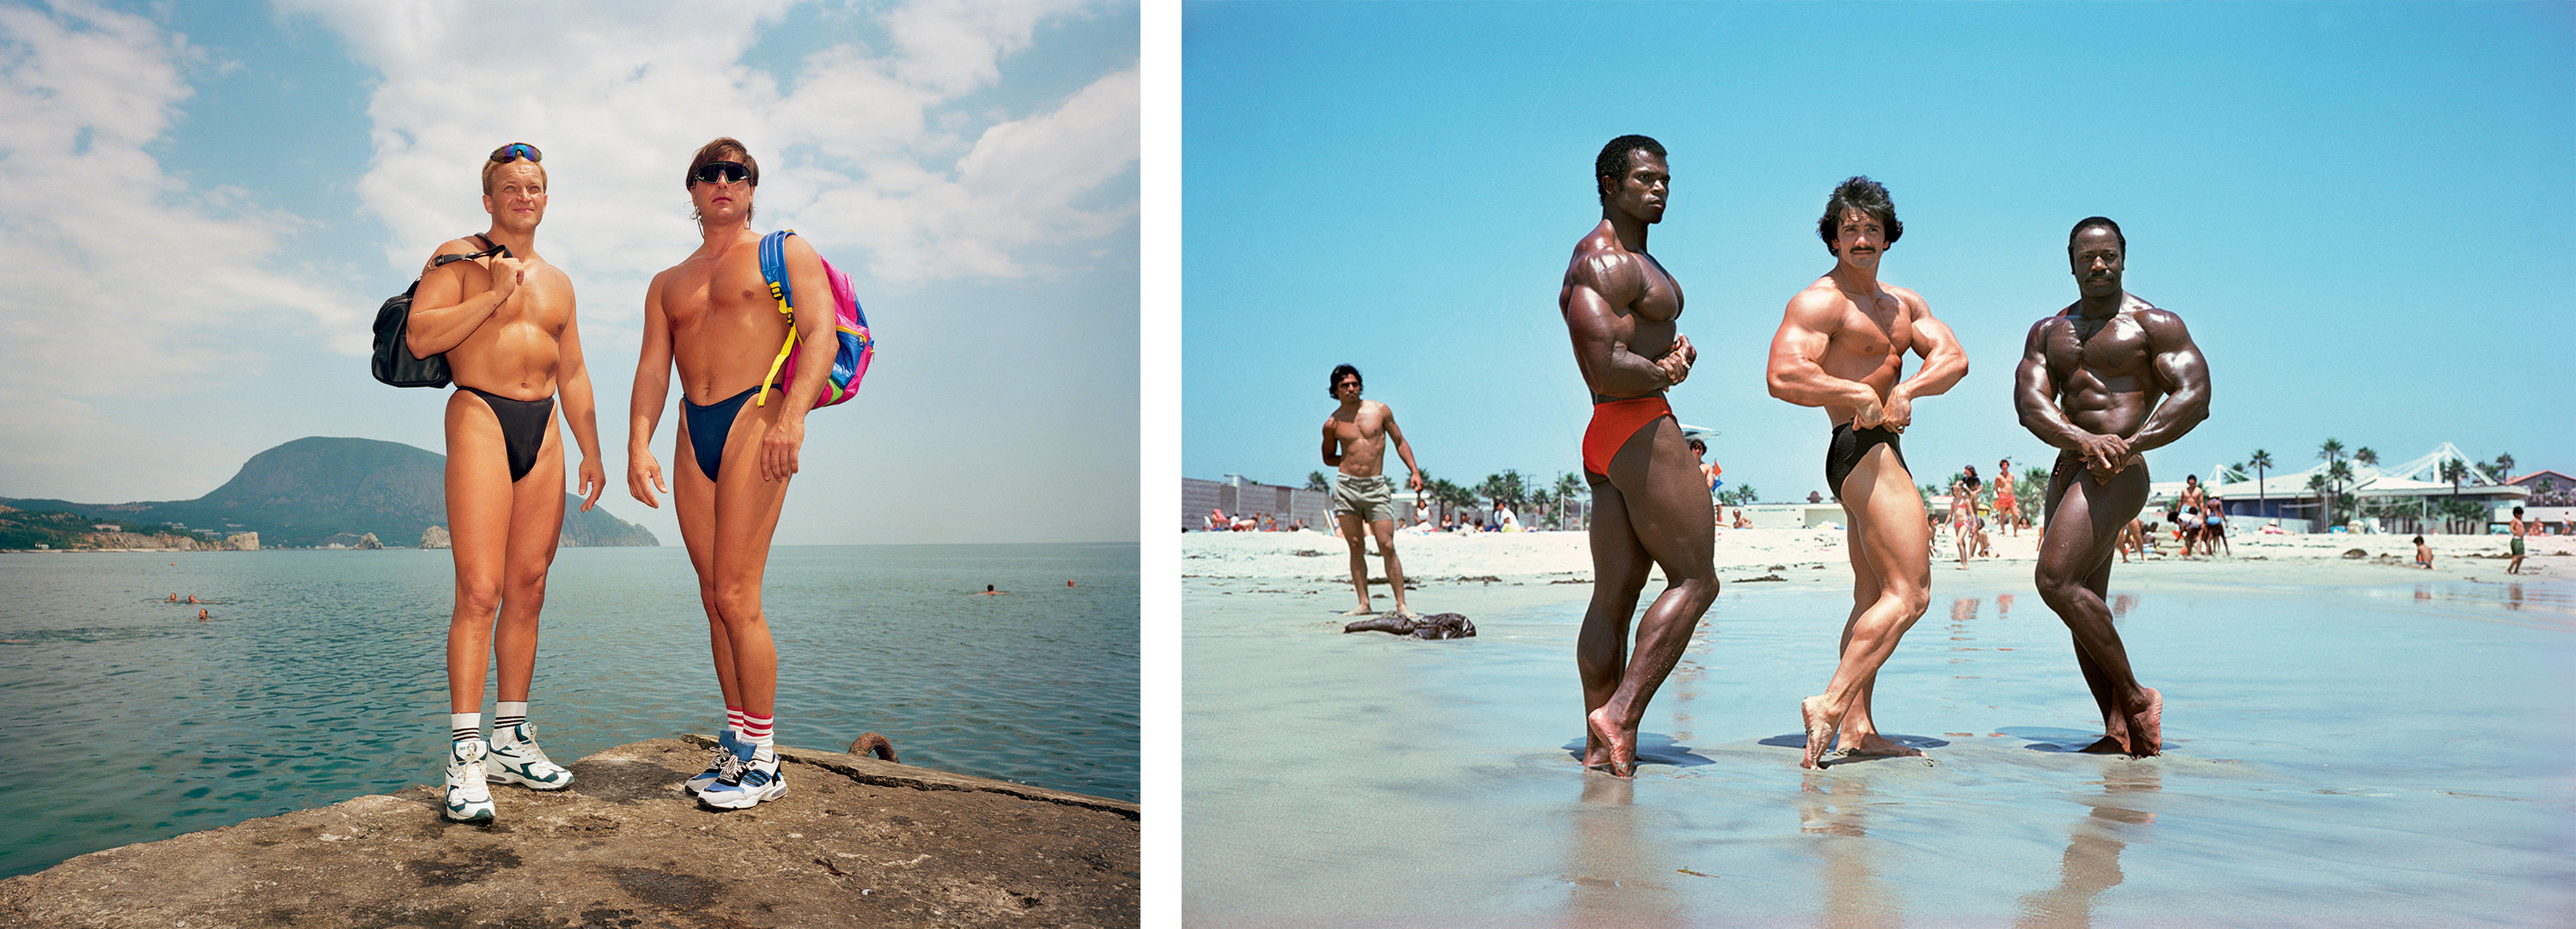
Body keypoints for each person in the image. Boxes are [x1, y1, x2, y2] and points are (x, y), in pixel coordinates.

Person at [627, 137, 835, 811]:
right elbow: (655, 369)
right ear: (691, 190)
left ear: (750, 187)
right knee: (714, 594)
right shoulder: (669, 282)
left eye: (736, 173)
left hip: (757, 418)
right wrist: (639, 443)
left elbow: (820, 332)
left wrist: (794, 418)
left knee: (740, 594)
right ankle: (740, 744)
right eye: (709, 173)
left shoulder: (785, 251)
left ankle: (768, 760)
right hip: (694, 432)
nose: (723, 181)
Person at [404, 142, 605, 822]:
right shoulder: (455, 256)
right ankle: (465, 757)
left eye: (535, 187)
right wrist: (490, 295)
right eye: (510, 188)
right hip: (480, 412)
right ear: (488, 200)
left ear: (546, 200)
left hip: (545, 427)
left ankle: (510, 740)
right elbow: (422, 335)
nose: (524, 196)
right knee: (480, 590)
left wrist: (592, 450)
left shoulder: (560, 283)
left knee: (529, 585)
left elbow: (571, 371)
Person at [1765, 176, 1966, 768]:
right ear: (1832, 238)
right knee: (1912, 594)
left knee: (1873, 593)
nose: (1860, 239)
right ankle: (1828, 703)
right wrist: (1855, 391)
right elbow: (1782, 375)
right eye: (1849, 229)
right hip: (1857, 447)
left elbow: (1953, 357)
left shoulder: (1904, 305)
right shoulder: (1819, 302)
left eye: (1871, 229)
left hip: (1884, 445)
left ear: (1887, 238)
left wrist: (1909, 389)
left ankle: (1858, 728)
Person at [2013, 216, 2210, 757]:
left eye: (2108, 255)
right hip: (2070, 467)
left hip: (2123, 471)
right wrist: (2079, 437)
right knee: (2082, 600)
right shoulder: (2049, 331)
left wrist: (2130, 444)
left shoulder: (2154, 324)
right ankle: (2119, 729)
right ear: (2072, 262)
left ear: (2123, 257)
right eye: (2087, 256)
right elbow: (2030, 403)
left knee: (2054, 580)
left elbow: (2195, 395)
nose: (2098, 265)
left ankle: (2137, 697)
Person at [1560, 135, 1719, 777]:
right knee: (1697, 579)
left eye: (1665, 180)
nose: (1659, 189)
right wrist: (1669, 370)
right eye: (1645, 179)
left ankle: (1603, 746)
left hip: (1609, 432)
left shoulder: (1633, 259)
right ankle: (1620, 713)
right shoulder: (1600, 263)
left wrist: (1660, 364)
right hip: (1635, 423)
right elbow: (1603, 363)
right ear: (1609, 183)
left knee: (1615, 595)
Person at [1320, 364, 1425, 617]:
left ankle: (1401, 605)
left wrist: (1414, 471)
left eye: (1355, 384)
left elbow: (1400, 441)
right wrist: (1348, 462)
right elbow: (1328, 457)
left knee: (1387, 545)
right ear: (1335, 389)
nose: (1351, 389)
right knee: (1355, 545)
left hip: (1376, 486)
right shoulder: (1332, 424)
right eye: (1345, 385)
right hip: (1346, 487)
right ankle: (1364, 603)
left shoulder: (1379, 411)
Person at [1993, 458, 2021, 536]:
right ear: (2001, 467)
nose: (2005, 467)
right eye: (2003, 465)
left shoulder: (2012, 475)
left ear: (2008, 466)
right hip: (2002, 496)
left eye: (2006, 465)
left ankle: (2015, 532)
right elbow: (1995, 488)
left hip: (2011, 497)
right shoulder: (1999, 477)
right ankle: (2003, 532)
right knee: (2002, 515)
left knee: (2016, 515)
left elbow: (2011, 486)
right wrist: (2000, 495)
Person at [2507, 506, 2528, 574]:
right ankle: (2509, 570)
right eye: (2520, 514)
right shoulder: (2514, 520)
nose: (2521, 516)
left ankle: (2516, 570)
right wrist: (2515, 532)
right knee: (2516, 556)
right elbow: (2511, 528)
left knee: (2521, 556)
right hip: (2516, 539)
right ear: (2516, 514)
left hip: (2520, 540)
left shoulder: (2520, 521)